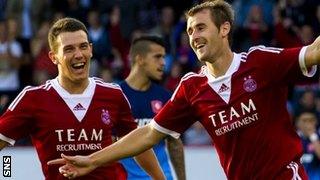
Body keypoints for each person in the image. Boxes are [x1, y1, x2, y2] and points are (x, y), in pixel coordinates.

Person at [48, 1, 320, 179]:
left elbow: (314, 51)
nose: (194, 37)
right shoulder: (192, 88)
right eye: (190, 31)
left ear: (224, 28)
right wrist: (93, 160)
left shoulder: (260, 62)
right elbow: (148, 135)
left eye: (201, 27)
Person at [0, 17, 166, 180]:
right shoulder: (33, 98)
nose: (78, 54)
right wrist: (5, 172)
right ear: (53, 57)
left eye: (83, 46)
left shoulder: (113, 94)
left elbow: (137, 144)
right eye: (69, 49)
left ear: (91, 49)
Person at [119, 35, 186, 180]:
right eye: (157, 57)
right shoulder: (115, 95)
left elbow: (174, 142)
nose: (163, 63)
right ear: (140, 59)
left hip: (162, 176)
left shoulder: (165, 97)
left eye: (164, 57)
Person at [296, 111, 320, 180]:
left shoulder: (318, 137)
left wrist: (312, 136)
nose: (308, 124)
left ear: (316, 122)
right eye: (304, 120)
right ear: (298, 123)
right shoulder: (293, 138)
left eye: (311, 120)